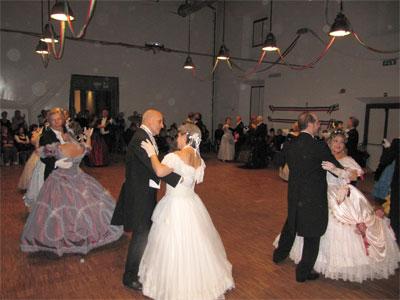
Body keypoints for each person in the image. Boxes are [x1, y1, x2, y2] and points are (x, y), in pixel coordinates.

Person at [279, 130, 400, 282]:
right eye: (335, 141)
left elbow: (355, 175)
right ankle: (311, 261)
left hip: (342, 194)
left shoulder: (348, 159)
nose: (338, 145)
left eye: (341, 142)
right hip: (320, 194)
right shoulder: (321, 154)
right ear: (329, 142)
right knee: (313, 226)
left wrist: (337, 171)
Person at [139, 123, 234, 299]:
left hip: (175, 204)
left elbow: (159, 171)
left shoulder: (175, 156)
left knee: (173, 243)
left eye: (179, 135)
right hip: (191, 202)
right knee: (196, 243)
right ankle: (200, 281)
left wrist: (152, 154)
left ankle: (175, 286)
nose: (177, 138)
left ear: (185, 136)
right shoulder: (199, 159)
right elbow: (192, 180)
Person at [20, 128, 123, 256]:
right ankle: (81, 232)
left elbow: (40, 153)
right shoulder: (80, 147)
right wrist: (88, 136)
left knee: (58, 207)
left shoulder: (58, 148)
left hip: (59, 180)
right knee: (83, 205)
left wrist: (36, 142)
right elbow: (89, 148)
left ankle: (62, 236)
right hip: (79, 179)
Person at [111, 109, 182, 291]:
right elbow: (154, 167)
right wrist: (180, 179)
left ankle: (138, 269)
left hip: (144, 192)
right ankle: (130, 276)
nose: (163, 125)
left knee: (144, 233)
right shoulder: (141, 138)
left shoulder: (145, 136)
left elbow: (153, 165)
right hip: (139, 195)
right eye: (160, 121)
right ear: (150, 121)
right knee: (140, 235)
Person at [273, 112, 343, 282]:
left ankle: (278, 255)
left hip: (295, 193)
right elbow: (336, 169)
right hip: (313, 197)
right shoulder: (318, 146)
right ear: (311, 124)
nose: (319, 125)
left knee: (292, 223)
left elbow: (277, 161)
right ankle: (303, 273)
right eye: (318, 122)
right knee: (313, 234)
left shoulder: (290, 143)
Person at [374, 137, 400, 244]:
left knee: (396, 216)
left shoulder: (397, 142)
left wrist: (388, 148)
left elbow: (385, 160)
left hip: (398, 186)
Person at [39, 108, 69, 179]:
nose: (56, 122)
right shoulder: (46, 136)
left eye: (59, 119)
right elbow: (43, 156)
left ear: (62, 120)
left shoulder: (67, 133)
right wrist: (57, 163)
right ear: (49, 121)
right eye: (53, 120)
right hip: (54, 173)